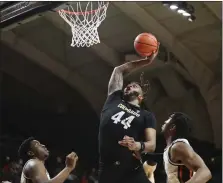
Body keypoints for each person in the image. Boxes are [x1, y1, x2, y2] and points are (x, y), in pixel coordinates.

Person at [98, 49, 159, 183]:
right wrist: (146, 61)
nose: (129, 85)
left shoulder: (146, 115)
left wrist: (137, 145)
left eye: (135, 86)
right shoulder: (114, 99)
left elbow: (152, 145)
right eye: (128, 85)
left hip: (131, 169)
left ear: (141, 97)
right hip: (107, 169)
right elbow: (118, 70)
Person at [161, 112, 212, 183]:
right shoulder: (171, 148)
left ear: (172, 127)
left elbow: (205, 172)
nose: (165, 121)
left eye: (169, 119)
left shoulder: (178, 146)